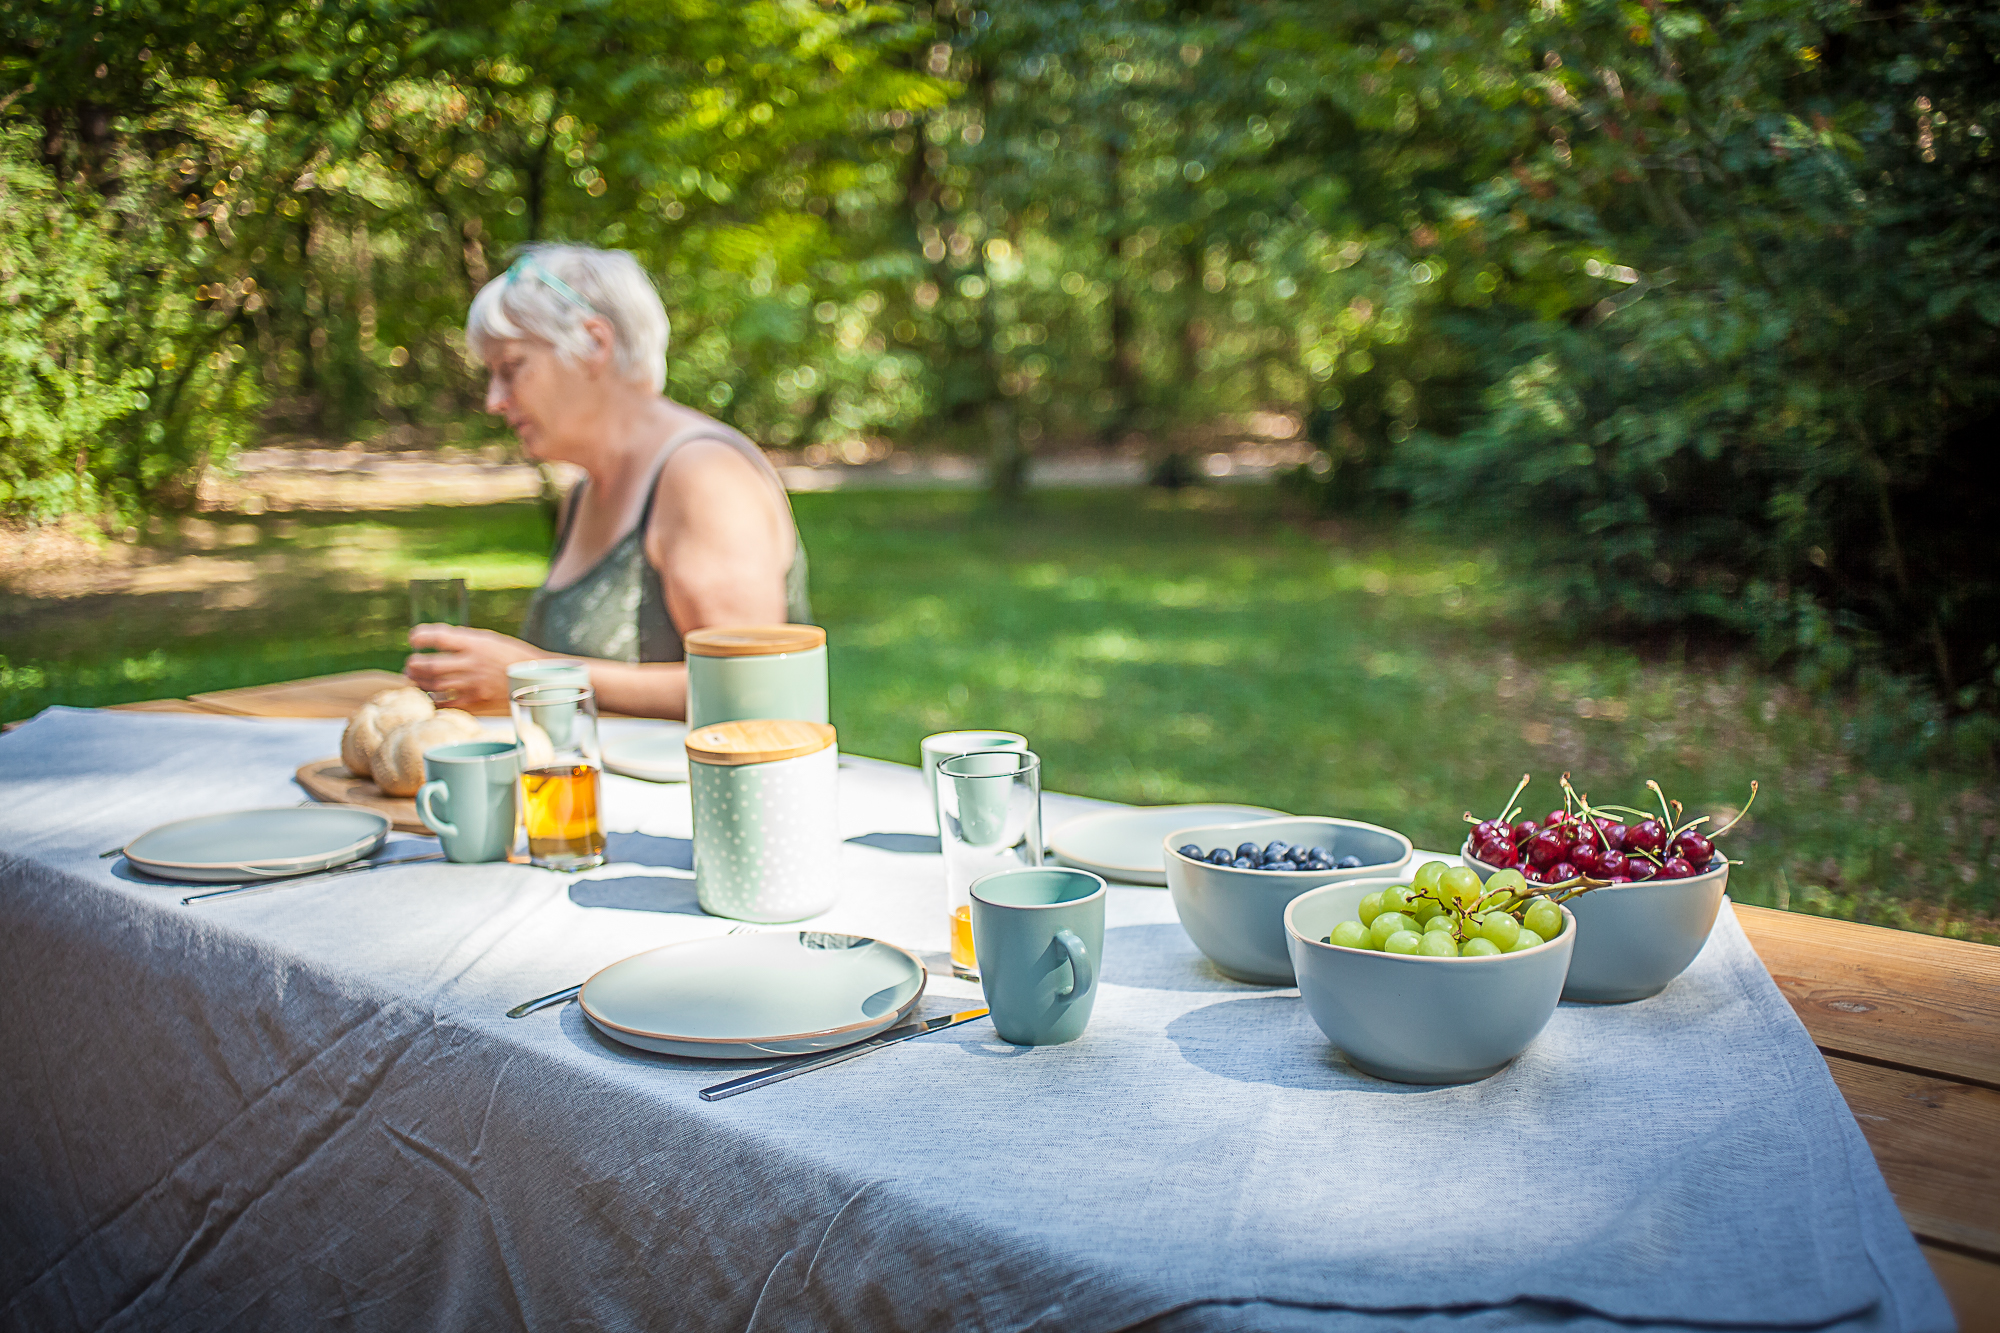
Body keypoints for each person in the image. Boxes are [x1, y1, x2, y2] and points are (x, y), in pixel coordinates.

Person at [404, 245, 810, 718]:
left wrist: (531, 676)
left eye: (511, 369)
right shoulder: (585, 492)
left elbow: (753, 692)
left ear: (595, 343)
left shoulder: (703, 475)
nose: (494, 400)